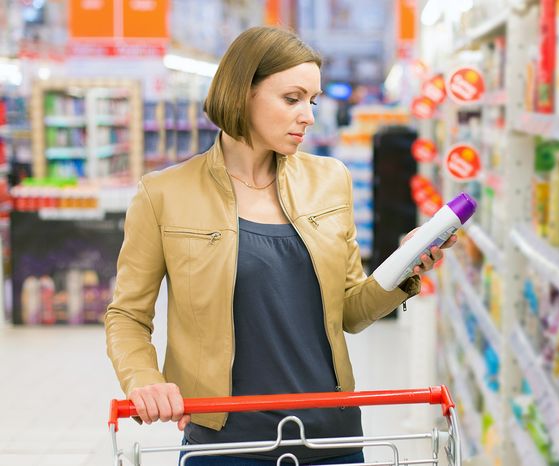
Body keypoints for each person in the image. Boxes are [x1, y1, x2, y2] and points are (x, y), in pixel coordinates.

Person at [104, 26, 456, 465]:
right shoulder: (164, 194)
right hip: (227, 438)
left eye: (313, 100)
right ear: (241, 94)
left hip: (333, 435)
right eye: (292, 99)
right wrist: (143, 379)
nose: (308, 115)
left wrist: (404, 268)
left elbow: (349, 310)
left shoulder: (330, 180)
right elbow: (127, 316)